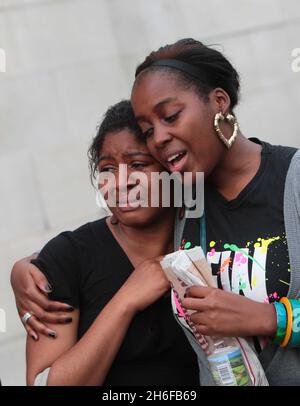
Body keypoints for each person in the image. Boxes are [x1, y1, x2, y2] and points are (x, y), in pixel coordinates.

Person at [130, 38, 300, 385]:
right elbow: (109, 234)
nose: (158, 138)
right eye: (147, 131)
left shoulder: (293, 178)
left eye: (171, 116)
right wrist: (33, 267)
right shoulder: (180, 204)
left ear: (219, 102)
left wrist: (270, 319)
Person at [11, 100, 199, 386]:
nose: (120, 182)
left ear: (170, 167)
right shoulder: (67, 258)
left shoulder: (207, 236)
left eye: (137, 164)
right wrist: (126, 300)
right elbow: (43, 383)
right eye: (107, 169)